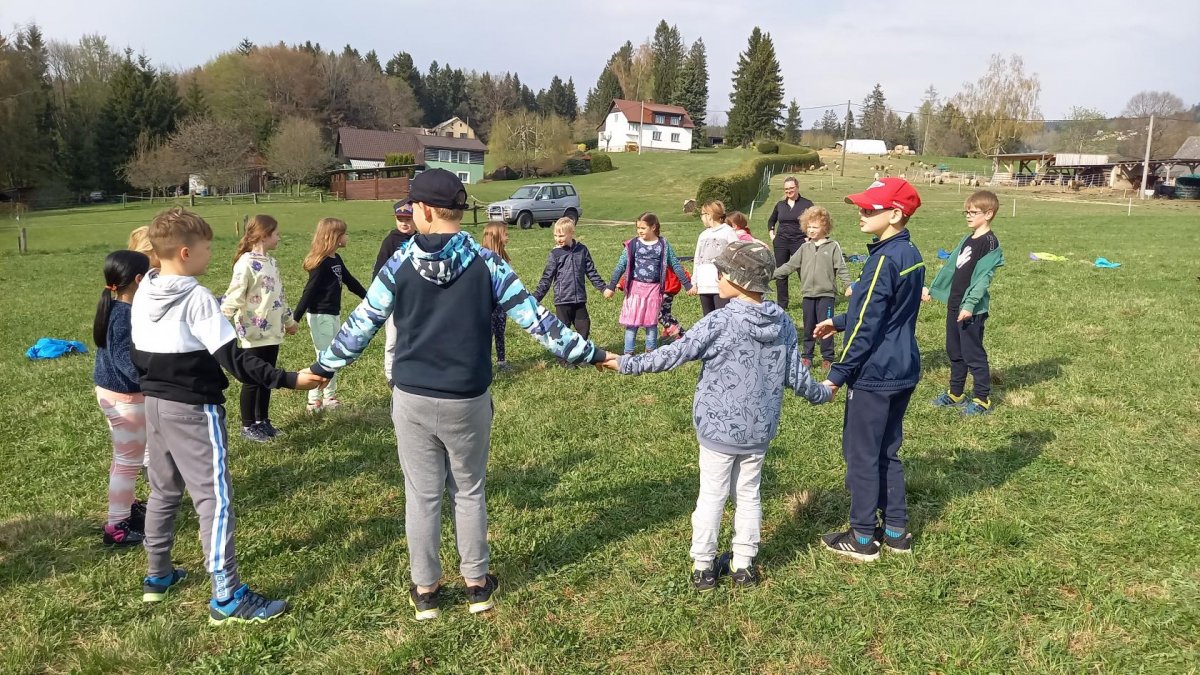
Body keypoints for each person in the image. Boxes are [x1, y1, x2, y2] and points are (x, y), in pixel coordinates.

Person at [307, 169, 609, 621]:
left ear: (426, 211)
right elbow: (537, 320)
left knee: (422, 496)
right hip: (467, 400)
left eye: (413, 206)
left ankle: (426, 591)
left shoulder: (398, 264)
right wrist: (592, 353)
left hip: (412, 398)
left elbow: (361, 324)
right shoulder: (488, 263)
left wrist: (321, 368)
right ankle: (476, 585)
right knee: (469, 491)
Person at [130, 207, 324, 624]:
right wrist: (289, 379)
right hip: (194, 410)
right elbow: (236, 360)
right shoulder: (197, 297)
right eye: (207, 248)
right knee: (214, 500)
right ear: (185, 252)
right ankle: (228, 595)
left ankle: (157, 575)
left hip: (155, 406)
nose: (212, 254)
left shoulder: (145, 287)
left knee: (163, 492)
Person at [601, 241, 832, 590]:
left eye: (722, 273)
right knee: (749, 495)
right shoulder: (783, 322)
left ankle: (703, 567)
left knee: (712, 495)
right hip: (759, 431)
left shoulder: (719, 321)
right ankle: (743, 566)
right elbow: (797, 377)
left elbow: (673, 354)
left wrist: (623, 362)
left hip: (717, 431)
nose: (717, 278)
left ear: (739, 280)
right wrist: (823, 392)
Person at [813, 178, 925, 562]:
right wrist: (839, 321)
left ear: (895, 214)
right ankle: (895, 532)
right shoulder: (910, 252)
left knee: (861, 453)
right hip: (903, 366)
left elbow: (867, 326)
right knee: (888, 450)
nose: (860, 213)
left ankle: (862, 536)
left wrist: (837, 375)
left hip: (876, 372)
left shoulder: (882, 260)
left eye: (869, 209)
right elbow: (884, 311)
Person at [923, 190, 1004, 416]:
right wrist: (933, 288)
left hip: (971, 310)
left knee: (973, 354)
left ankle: (981, 399)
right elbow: (951, 267)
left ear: (988, 214)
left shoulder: (990, 243)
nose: (968, 216)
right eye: (966, 212)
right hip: (955, 304)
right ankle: (956, 393)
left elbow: (983, 278)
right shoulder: (967, 239)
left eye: (973, 212)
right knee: (955, 351)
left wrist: (969, 305)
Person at [220, 215, 298, 442]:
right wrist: (219, 319)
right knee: (252, 381)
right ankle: (248, 426)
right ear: (264, 235)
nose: (279, 238)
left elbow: (279, 296)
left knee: (266, 378)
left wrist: (289, 321)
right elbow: (234, 294)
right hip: (252, 332)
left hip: (272, 332)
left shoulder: (272, 263)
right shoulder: (245, 263)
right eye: (276, 234)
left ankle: (262, 421)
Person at [93, 250, 151, 547]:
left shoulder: (115, 308)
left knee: (124, 459)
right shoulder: (123, 316)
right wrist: (150, 382)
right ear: (139, 280)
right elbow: (123, 360)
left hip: (115, 393)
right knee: (128, 462)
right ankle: (117, 525)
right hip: (125, 398)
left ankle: (127, 507)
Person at [293, 217, 367, 413]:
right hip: (320, 316)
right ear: (334, 237)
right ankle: (314, 400)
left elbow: (350, 281)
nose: (347, 237)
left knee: (333, 355)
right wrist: (295, 318)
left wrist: (369, 299)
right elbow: (308, 292)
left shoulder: (336, 259)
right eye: (344, 233)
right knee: (325, 357)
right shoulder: (321, 264)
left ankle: (329, 397)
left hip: (332, 314)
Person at [772, 206, 853, 370]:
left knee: (825, 325)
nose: (811, 230)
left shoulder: (832, 246)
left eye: (815, 227)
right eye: (808, 226)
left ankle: (827, 357)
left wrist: (848, 285)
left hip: (826, 295)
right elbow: (789, 266)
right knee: (808, 326)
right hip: (808, 294)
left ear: (825, 227)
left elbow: (841, 268)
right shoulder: (804, 248)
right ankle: (807, 356)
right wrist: (770, 275)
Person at [604, 213, 695, 354]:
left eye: (643, 228)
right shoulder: (632, 244)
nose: (639, 231)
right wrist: (611, 286)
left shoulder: (663, 245)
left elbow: (675, 265)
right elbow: (621, 265)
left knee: (651, 324)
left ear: (653, 227)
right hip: (635, 290)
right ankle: (628, 353)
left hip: (654, 290)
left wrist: (687, 285)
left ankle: (651, 353)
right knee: (631, 323)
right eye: (638, 228)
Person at [532, 217, 608, 366]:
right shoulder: (555, 254)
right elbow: (546, 278)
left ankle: (580, 354)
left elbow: (591, 272)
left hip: (579, 298)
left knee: (584, 326)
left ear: (571, 233)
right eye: (555, 235)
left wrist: (603, 288)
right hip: (562, 300)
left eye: (561, 235)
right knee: (562, 330)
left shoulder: (582, 250)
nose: (558, 239)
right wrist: (536, 297)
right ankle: (563, 359)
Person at [374, 199, 417, 385]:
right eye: (400, 219)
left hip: (415, 298)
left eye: (408, 219)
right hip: (395, 297)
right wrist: (377, 295)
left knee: (413, 337)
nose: (404, 223)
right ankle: (391, 375)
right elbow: (379, 270)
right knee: (393, 338)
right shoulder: (390, 241)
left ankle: (411, 370)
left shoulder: (421, 239)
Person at [766, 177, 814, 308]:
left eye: (791, 188)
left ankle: (810, 300)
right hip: (781, 242)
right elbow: (771, 220)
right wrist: (772, 235)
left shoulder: (807, 204)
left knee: (803, 271)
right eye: (786, 189)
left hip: (799, 241)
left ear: (797, 187)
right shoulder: (780, 205)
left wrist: (809, 237)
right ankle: (782, 304)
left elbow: (815, 221)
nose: (789, 191)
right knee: (781, 272)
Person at [693, 200, 740, 316]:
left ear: (709, 215)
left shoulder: (728, 232)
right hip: (704, 284)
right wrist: (695, 281)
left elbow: (737, 255)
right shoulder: (703, 235)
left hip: (720, 285)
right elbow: (697, 259)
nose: (701, 218)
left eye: (702, 214)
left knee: (722, 316)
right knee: (708, 317)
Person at [481, 222, 512, 370]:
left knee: (500, 332)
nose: (508, 237)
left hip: (501, 304)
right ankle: (483, 362)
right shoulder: (483, 259)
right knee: (486, 334)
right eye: (505, 234)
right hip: (486, 305)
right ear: (496, 236)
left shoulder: (504, 257)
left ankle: (501, 361)